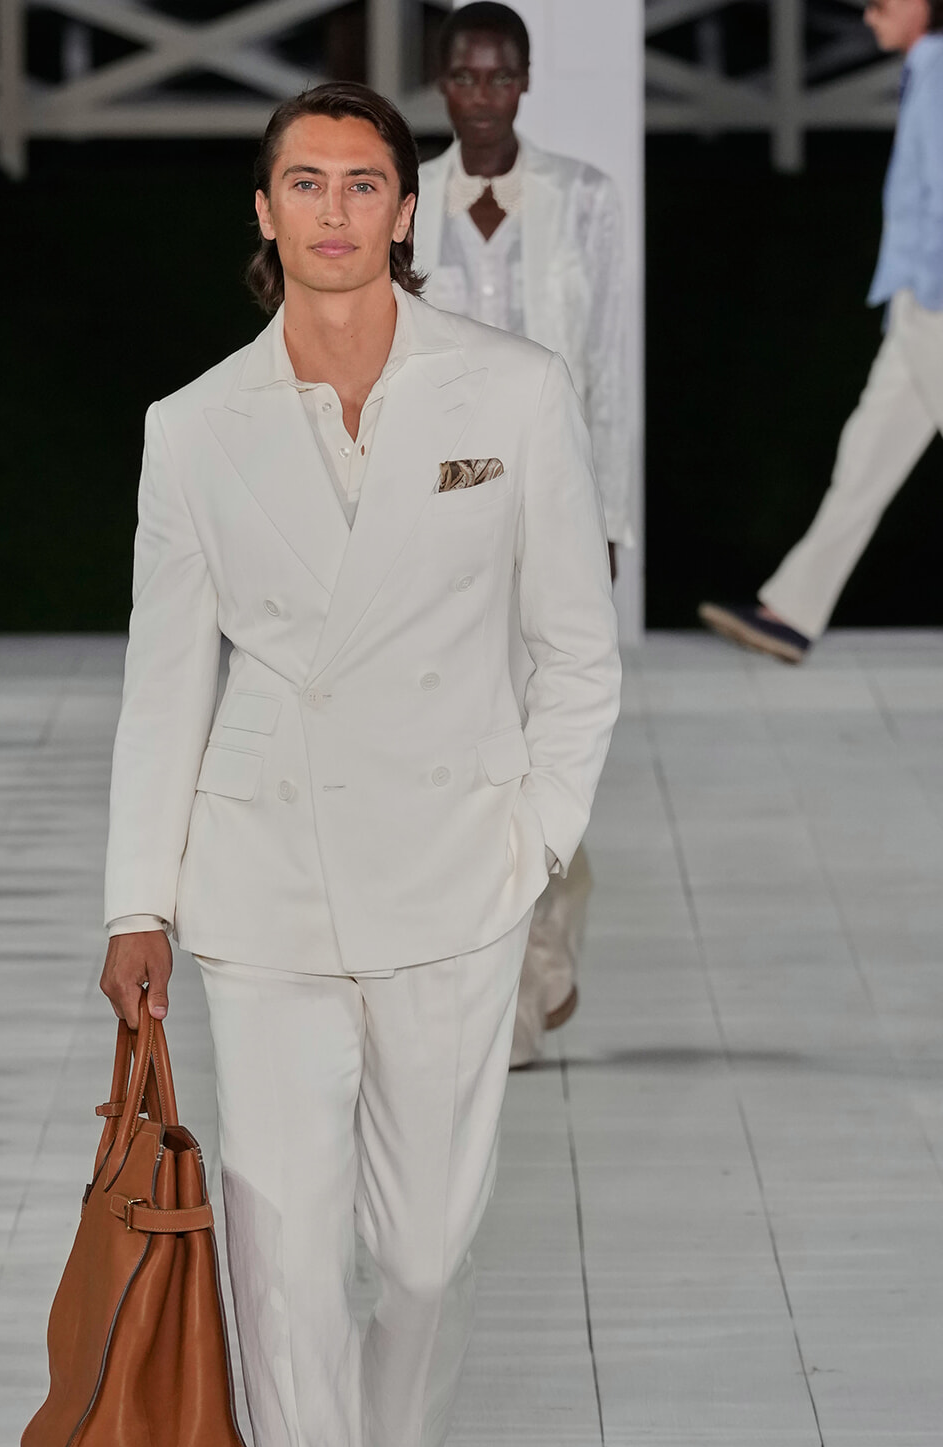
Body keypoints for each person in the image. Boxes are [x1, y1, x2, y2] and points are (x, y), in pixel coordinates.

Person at [99, 81, 620, 1447]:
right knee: (286, 1261)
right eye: (302, 183)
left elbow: (576, 657)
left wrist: (530, 841)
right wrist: (140, 902)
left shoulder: (514, 398)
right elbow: (165, 681)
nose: (332, 209)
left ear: (406, 207)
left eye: (362, 183)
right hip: (262, 883)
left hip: (455, 882)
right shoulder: (196, 428)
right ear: (263, 214)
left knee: (420, 1249)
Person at [414, 1, 630, 1059]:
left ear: (527, 83)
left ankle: (545, 953)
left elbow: (609, 372)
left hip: (556, 513)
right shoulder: (405, 204)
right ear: (441, 85)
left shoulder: (584, 200)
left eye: (502, 79)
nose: (484, 99)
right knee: (468, 752)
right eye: (466, 78)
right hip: (444, 517)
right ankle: (502, 985)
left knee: (554, 749)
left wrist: (613, 520)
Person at [701, 0, 943, 664]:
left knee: (865, 456)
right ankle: (793, 610)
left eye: (881, 3)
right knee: (866, 455)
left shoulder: (939, 70)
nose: (868, 17)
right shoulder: (927, 68)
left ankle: (793, 608)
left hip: (935, 304)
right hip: (918, 304)